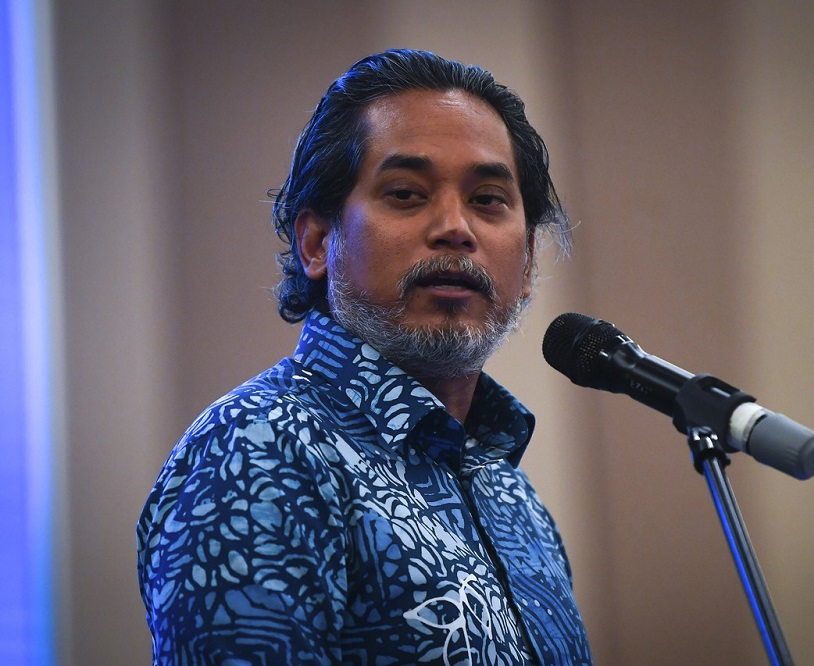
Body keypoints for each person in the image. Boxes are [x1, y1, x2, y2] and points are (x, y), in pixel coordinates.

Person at [136, 49, 592, 665]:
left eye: (488, 200)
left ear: (530, 261)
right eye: (406, 193)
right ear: (317, 243)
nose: (456, 228)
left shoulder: (509, 489)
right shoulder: (259, 447)